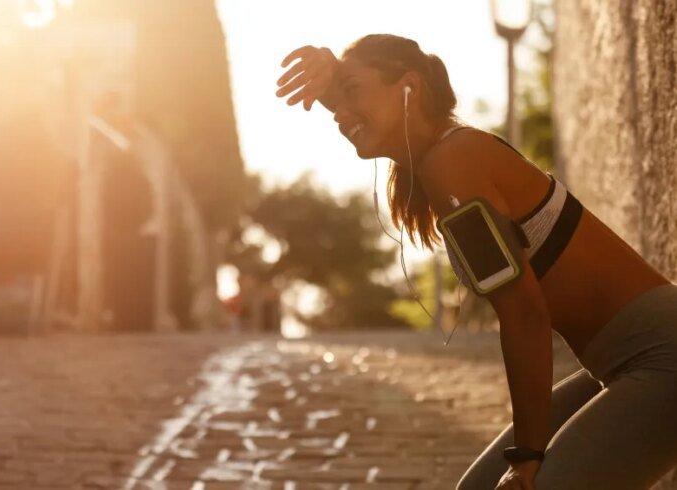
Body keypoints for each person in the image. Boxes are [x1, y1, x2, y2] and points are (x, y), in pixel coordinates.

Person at [275, 34, 677, 490]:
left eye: (352, 92)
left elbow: (524, 313)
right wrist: (336, 86)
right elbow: (365, 109)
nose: (340, 117)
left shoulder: (453, 162)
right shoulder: (443, 156)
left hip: (664, 356)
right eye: (336, 104)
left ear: (410, 86)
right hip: (619, 362)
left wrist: (526, 459)